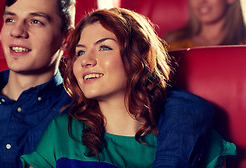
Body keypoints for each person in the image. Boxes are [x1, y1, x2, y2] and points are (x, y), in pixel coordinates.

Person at [0, 0, 213, 168]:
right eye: (10, 19)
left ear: (66, 39)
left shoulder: (86, 105)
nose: (17, 32)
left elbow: (180, 105)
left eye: (35, 22)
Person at [21, 8, 237, 167]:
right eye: (80, 52)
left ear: (137, 58)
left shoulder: (191, 136)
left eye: (104, 47)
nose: (86, 60)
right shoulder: (62, 132)